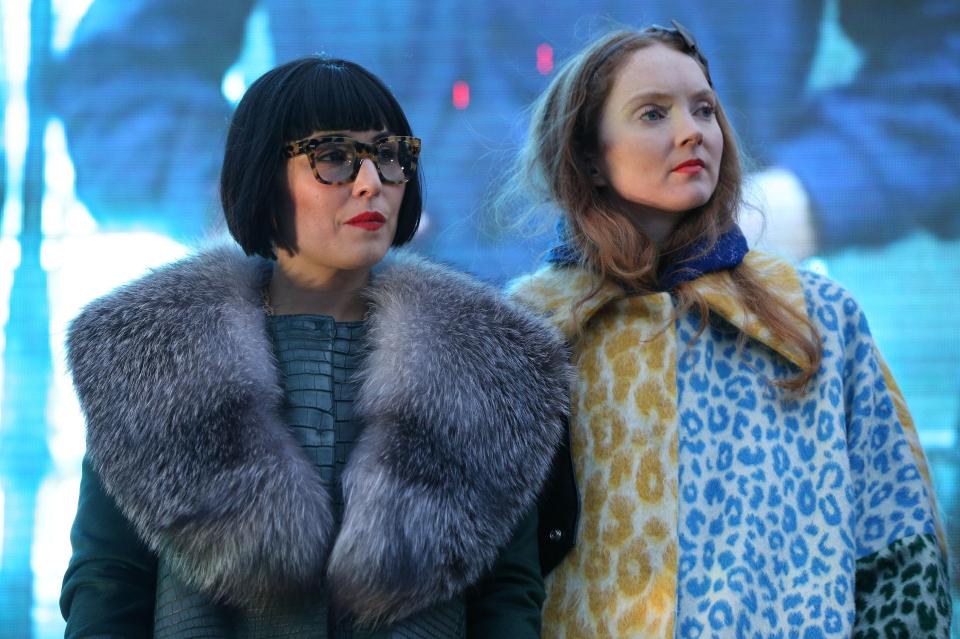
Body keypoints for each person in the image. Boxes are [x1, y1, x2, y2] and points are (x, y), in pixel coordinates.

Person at [59, 56, 573, 637]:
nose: (371, 182)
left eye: (389, 155)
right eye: (333, 157)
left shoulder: (490, 366)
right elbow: (108, 585)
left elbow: (507, 598)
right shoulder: (154, 357)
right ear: (263, 176)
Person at [507, 25, 951, 638]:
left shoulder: (815, 317)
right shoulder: (529, 333)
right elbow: (487, 577)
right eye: (653, 112)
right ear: (589, 154)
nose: (692, 131)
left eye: (705, 109)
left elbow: (900, 548)